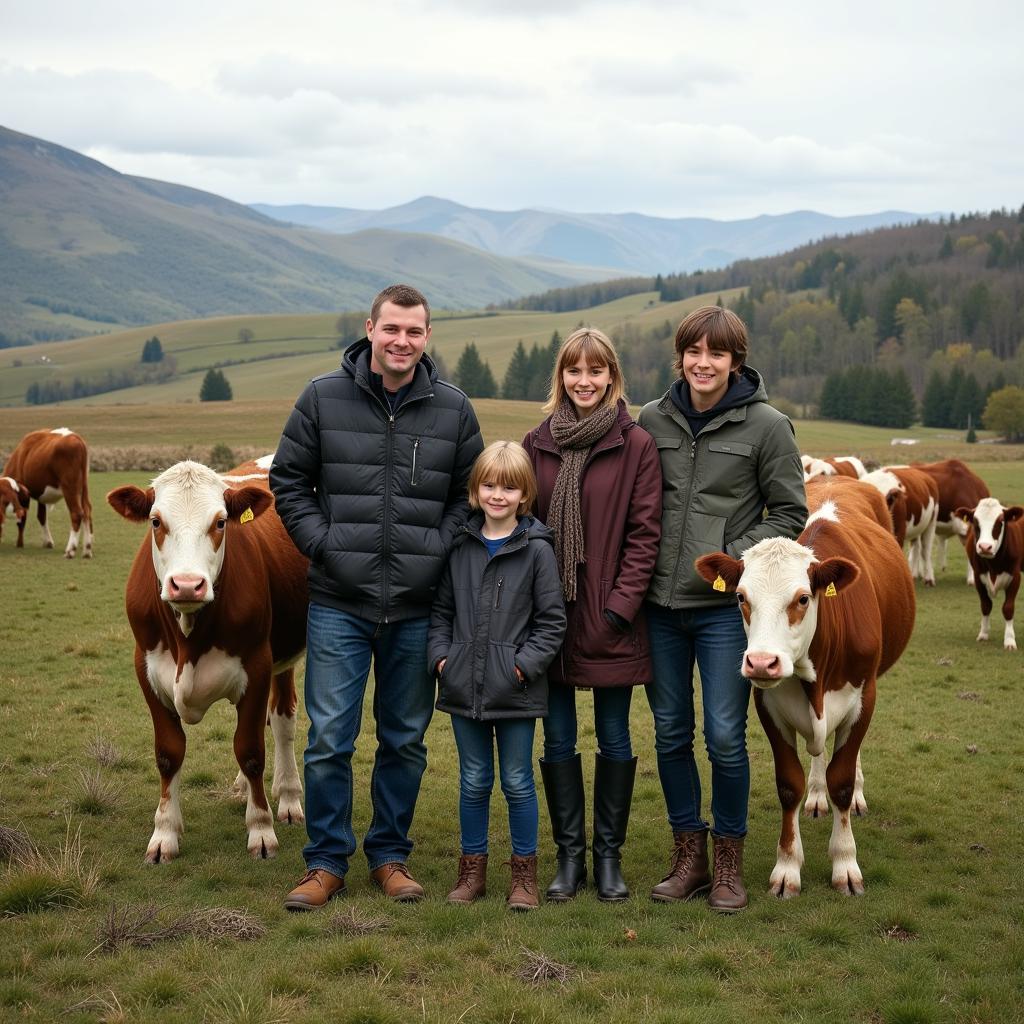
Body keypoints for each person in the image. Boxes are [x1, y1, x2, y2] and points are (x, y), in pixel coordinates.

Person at [270, 283, 483, 909]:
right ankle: (325, 862)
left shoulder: (452, 409)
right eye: (392, 329)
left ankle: (390, 856)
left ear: (427, 337)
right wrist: (325, 544)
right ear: (370, 329)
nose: (402, 341)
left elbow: (468, 497)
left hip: (418, 608)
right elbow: (289, 481)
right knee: (329, 736)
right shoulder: (322, 398)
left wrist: (436, 552)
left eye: (415, 331)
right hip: (338, 601)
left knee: (405, 738)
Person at [638, 305, 807, 912]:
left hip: (722, 612)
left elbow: (790, 514)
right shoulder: (650, 420)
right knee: (670, 733)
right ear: (680, 356)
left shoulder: (768, 427)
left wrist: (731, 565)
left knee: (724, 736)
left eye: (716, 353)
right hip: (658, 606)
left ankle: (730, 862)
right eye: (693, 351)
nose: (703, 364)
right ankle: (689, 858)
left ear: (737, 361)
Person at [522, 327, 662, 902]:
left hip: (610, 617)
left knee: (614, 737)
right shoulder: (537, 442)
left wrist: (619, 609)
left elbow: (644, 535)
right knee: (556, 739)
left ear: (612, 377)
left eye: (596, 371)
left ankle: (608, 857)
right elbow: (525, 526)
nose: (585, 381)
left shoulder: (636, 445)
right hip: (550, 617)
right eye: (574, 371)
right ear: (561, 377)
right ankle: (569, 858)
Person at [428, 441, 566, 911]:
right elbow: (441, 612)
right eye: (489, 485)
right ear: (475, 489)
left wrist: (522, 666)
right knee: (473, 780)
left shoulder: (537, 550)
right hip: (463, 682)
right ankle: (471, 873)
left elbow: (552, 622)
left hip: (517, 689)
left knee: (517, 780)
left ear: (525, 494)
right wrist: (442, 659)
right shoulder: (460, 544)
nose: (498, 495)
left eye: (509, 487)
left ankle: (523, 876)